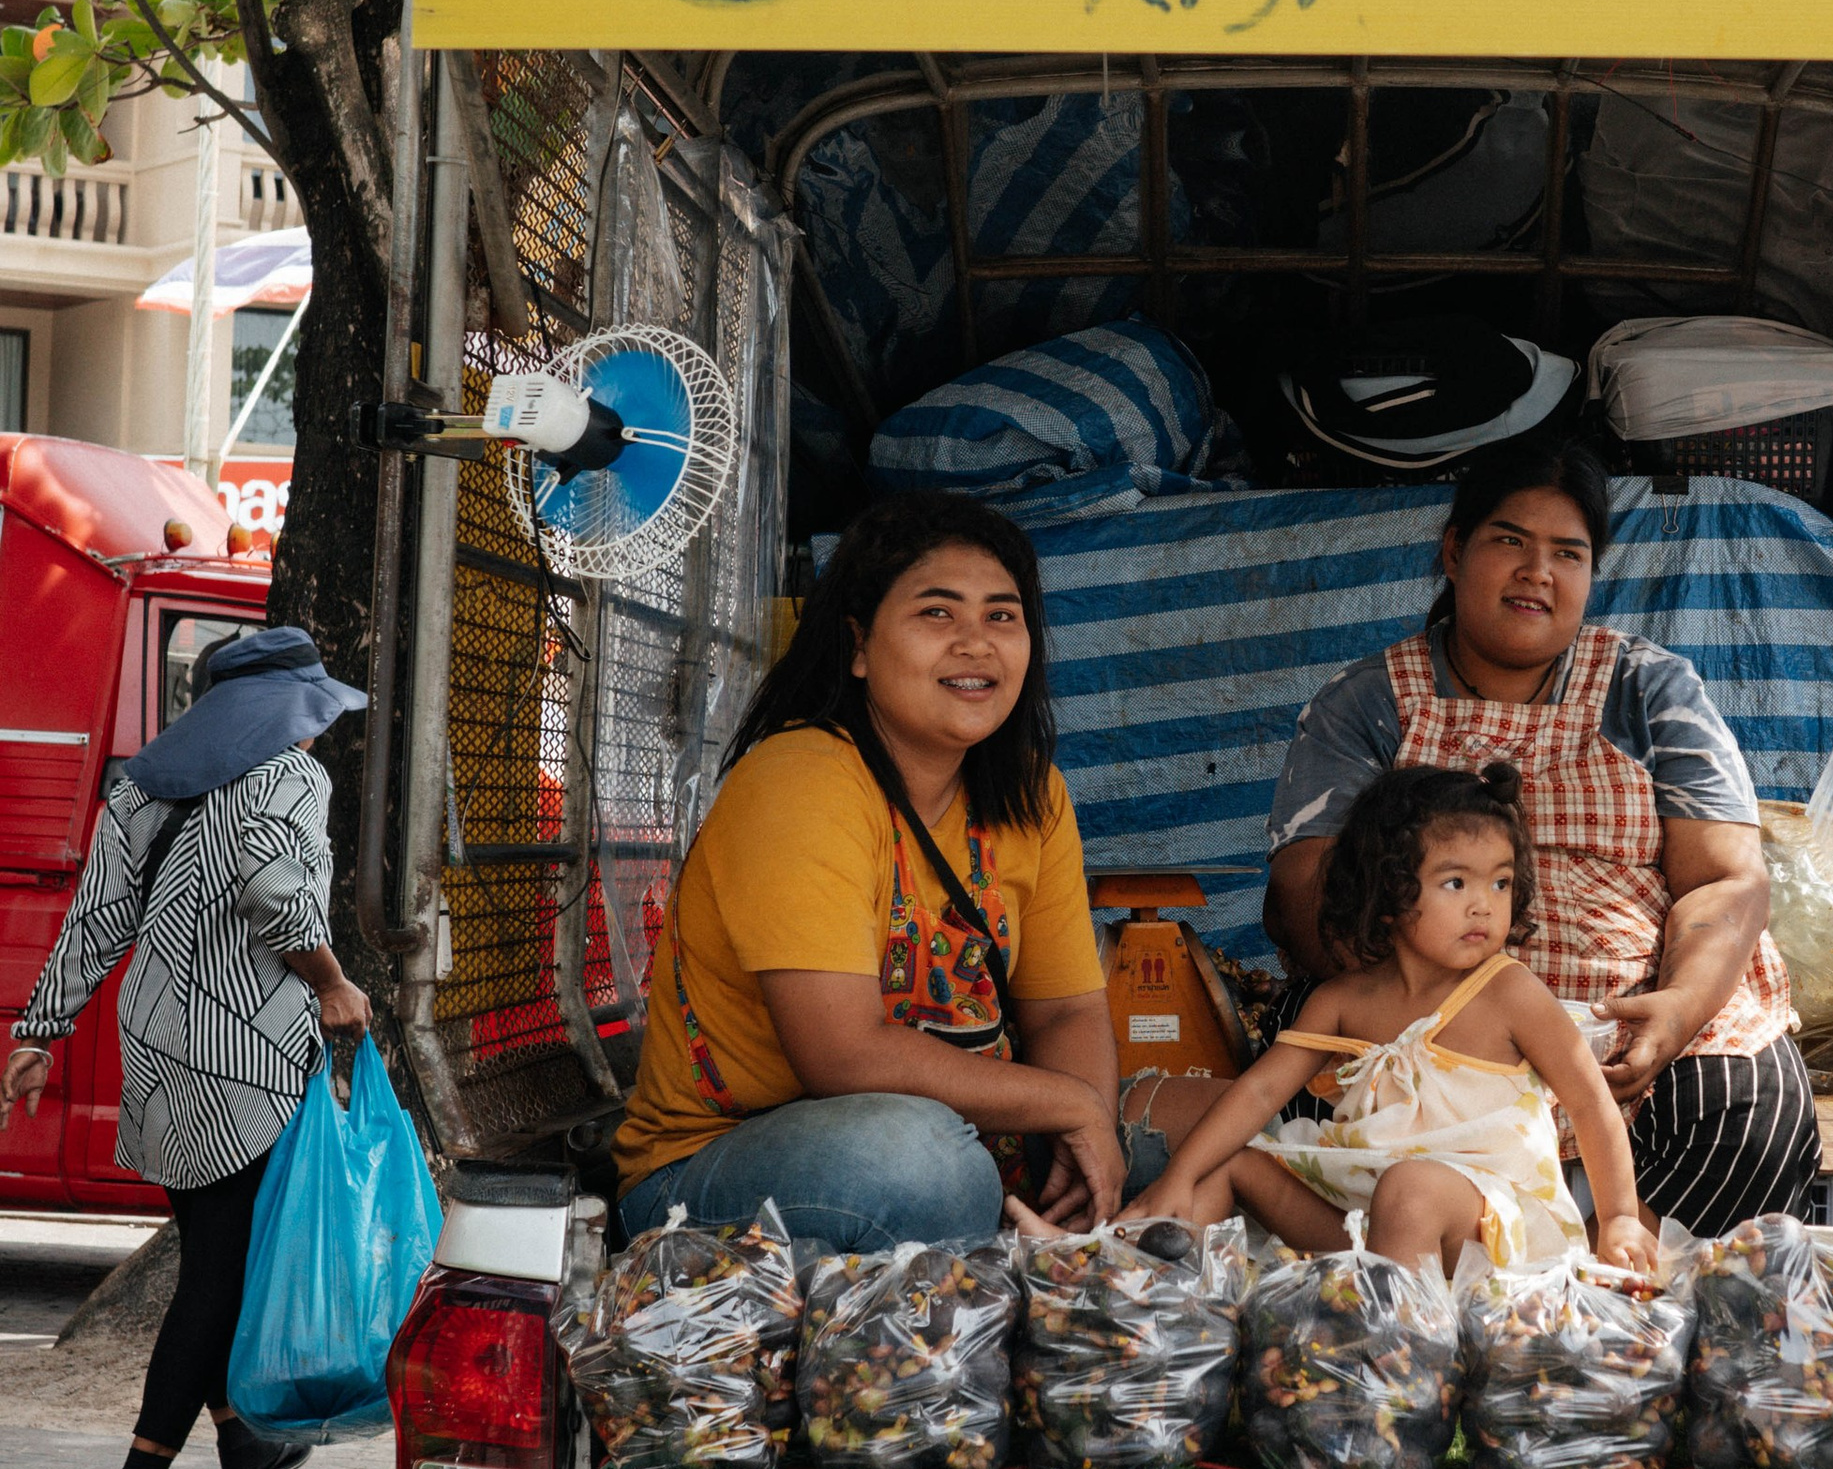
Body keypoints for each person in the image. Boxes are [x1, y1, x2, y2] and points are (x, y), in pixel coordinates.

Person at [1260, 434, 1819, 1238]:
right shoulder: (1369, 702)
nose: (1538, 572)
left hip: (1623, 1017)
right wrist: (1440, 1014)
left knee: (1752, 1119)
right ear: (1454, 553)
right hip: (1419, 1010)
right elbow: (1302, 890)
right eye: (1509, 541)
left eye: (1568, 552)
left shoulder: (1650, 688)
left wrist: (1675, 1012)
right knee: (1310, 1070)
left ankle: (1600, 1282)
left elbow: (1727, 881)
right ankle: (1443, 1255)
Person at [614, 492, 1122, 1253]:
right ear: (858, 645)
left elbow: (1066, 1015)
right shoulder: (802, 779)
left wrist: (1094, 1141)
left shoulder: (1032, 793)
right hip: (715, 1166)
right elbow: (843, 1053)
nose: (976, 644)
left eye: (1002, 616)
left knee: (1199, 1129)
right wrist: (1073, 1109)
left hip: (969, 1137)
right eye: (938, 614)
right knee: (919, 1164)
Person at [0, 623, 373, 1469]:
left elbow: (97, 916)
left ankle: (242, 1446)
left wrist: (39, 1033)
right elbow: (279, 896)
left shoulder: (137, 786)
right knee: (218, 1276)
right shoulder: (287, 777)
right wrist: (332, 982)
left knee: (213, 1249)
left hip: (158, 1050)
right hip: (245, 1058)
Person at [1128, 758, 1648, 1275]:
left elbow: (1589, 1103)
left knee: (1411, 1187)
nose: (1484, 907)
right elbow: (1259, 1093)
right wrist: (1178, 1176)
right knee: (1232, 1165)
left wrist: (1621, 1215)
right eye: (1455, 883)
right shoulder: (1342, 1000)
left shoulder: (1509, 992)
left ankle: (1393, 1342)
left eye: (1501, 883)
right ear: (1387, 894)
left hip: (1483, 1227)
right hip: (1365, 1215)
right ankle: (1156, 1305)